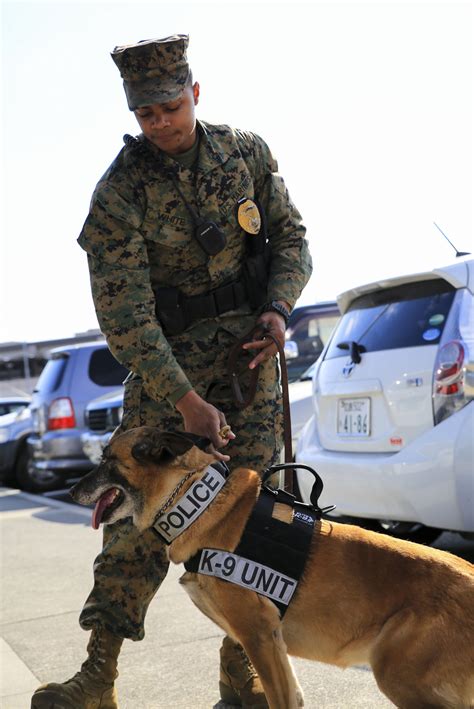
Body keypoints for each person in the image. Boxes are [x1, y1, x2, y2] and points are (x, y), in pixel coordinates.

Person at [31, 34, 312, 709]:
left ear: (193, 92)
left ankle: (242, 681)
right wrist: (183, 399)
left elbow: (292, 238)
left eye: (168, 106)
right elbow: (123, 314)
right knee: (135, 522)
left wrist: (276, 311)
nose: (159, 123)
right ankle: (98, 677)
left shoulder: (246, 153)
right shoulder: (119, 193)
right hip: (166, 378)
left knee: (258, 522)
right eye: (145, 114)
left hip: (248, 365)